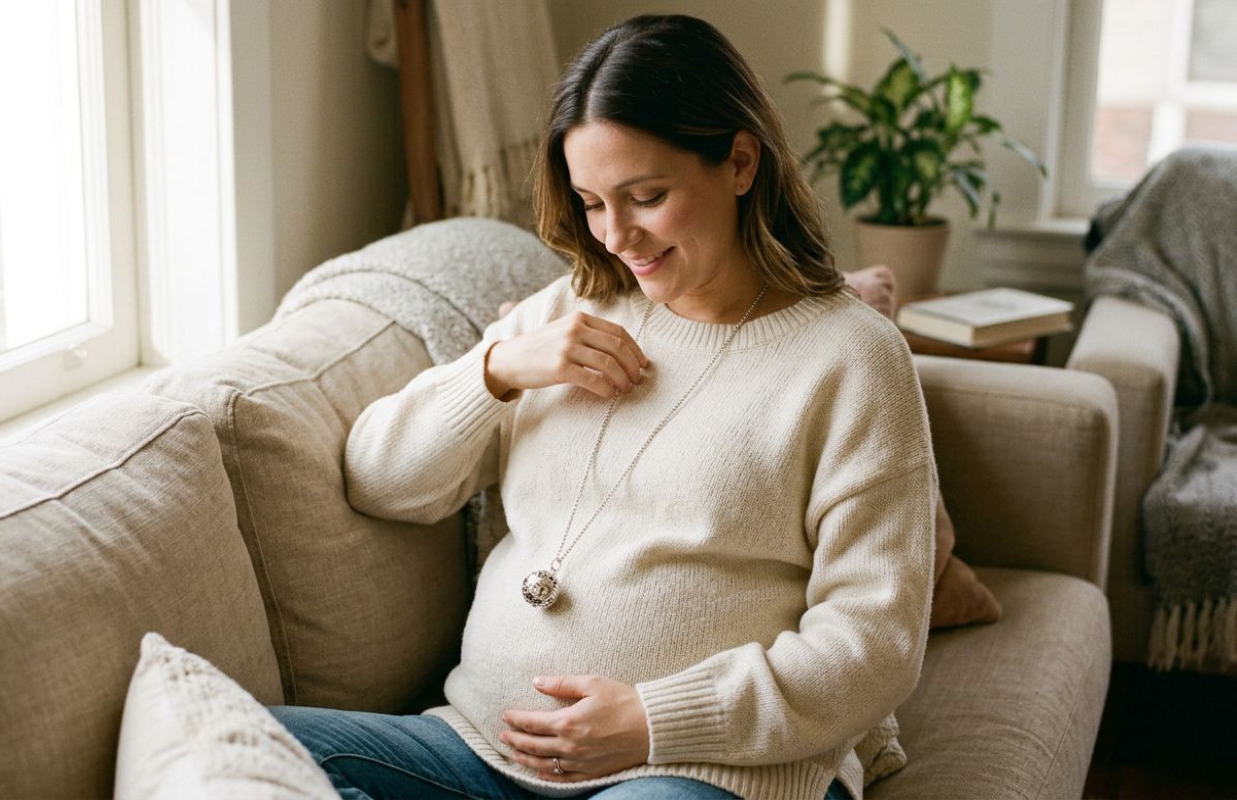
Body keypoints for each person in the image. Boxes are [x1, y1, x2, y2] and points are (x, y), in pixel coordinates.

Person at [270, 14, 935, 800]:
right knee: (228, 741)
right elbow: (378, 479)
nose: (616, 235)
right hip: (479, 753)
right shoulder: (569, 310)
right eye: (590, 202)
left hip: (704, 772)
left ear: (740, 162)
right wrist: (497, 369)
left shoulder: (850, 358)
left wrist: (656, 719)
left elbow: (873, 641)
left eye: (646, 196)